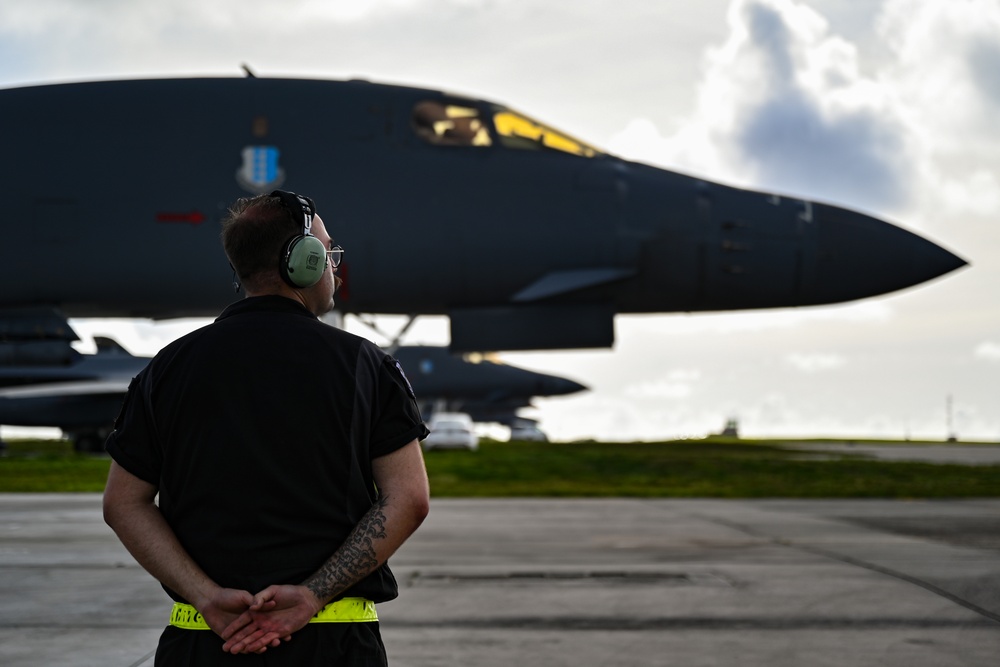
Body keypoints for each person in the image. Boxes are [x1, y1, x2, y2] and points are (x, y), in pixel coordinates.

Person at [103, 190, 430, 665]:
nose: (334, 268)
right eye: (329, 253)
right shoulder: (365, 366)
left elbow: (123, 503)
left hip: (205, 643)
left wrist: (206, 597)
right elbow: (410, 499)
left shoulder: (168, 367)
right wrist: (313, 596)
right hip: (331, 648)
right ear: (304, 262)